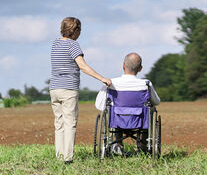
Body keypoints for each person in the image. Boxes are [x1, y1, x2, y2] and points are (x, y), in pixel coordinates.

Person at [50, 17, 112, 164]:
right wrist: (101, 78)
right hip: (68, 89)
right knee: (70, 123)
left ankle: (59, 156)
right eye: (80, 30)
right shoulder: (73, 45)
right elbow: (83, 66)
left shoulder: (55, 44)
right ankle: (68, 158)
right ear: (75, 30)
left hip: (54, 88)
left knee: (59, 124)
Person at [95, 52, 160, 154]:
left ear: (123, 66)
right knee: (150, 109)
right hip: (140, 120)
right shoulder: (146, 84)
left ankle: (118, 144)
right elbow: (156, 101)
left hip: (117, 120)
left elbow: (99, 105)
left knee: (113, 111)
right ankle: (142, 145)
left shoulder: (111, 83)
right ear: (140, 68)